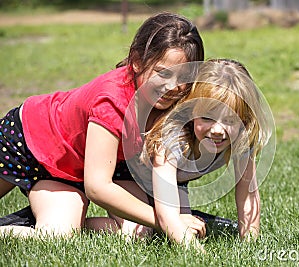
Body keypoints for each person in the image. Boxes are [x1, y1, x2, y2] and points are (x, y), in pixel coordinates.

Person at [0, 12, 206, 240]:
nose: (172, 87)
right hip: (28, 140)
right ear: (137, 61)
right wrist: (170, 222)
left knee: (62, 235)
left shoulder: (176, 101)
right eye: (162, 73)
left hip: (78, 169)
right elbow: (98, 187)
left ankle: (35, 222)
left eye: (183, 77)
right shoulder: (112, 100)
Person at [93, 59, 272, 248]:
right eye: (207, 118)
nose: (218, 130)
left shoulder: (240, 137)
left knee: (189, 229)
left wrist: (250, 241)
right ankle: (80, 225)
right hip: (129, 176)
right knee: (141, 233)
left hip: (174, 183)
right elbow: (167, 215)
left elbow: (247, 193)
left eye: (229, 119)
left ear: (244, 120)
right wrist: (195, 252)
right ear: (192, 111)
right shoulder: (173, 138)